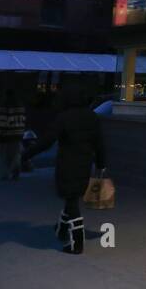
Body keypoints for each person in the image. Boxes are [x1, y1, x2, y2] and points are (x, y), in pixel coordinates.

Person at [30, 83, 108, 254]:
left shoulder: (64, 117)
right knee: (71, 198)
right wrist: (101, 164)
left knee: (71, 200)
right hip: (85, 164)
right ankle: (61, 229)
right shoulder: (92, 117)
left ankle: (76, 243)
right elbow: (99, 143)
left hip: (67, 164)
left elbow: (47, 140)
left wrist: (27, 154)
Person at [0, 89, 27, 181]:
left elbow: (1, 121)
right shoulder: (21, 107)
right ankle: (15, 171)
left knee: (4, 155)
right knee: (16, 154)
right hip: (18, 133)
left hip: (6, 134)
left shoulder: (4, 107)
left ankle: (4, 174)